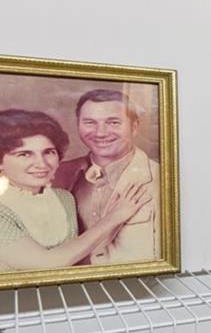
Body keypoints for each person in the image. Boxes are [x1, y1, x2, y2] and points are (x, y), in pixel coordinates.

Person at [0, 109, 152, 276]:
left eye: (49, 152)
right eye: (24, 154)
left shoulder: (64, 198)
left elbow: (77, 256)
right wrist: (114, 217)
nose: (41, 164)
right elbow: (46, 264)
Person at [53, 88, 160, 265]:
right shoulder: (56, 175)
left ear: (134, 127)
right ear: (78, 125)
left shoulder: (162, 179)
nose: (100, 133)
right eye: (90, 122)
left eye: (113, 122)